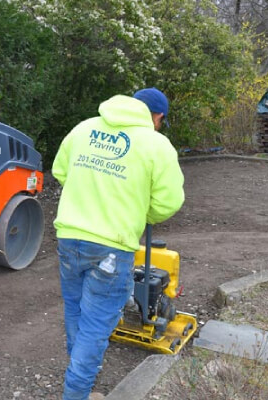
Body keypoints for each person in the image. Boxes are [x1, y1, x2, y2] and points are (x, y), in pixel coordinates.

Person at [51, 87, 184, 400]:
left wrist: (88, 195)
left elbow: (60, 171)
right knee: (96, 326)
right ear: (157, 117)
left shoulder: (84, 129)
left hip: (70, 237)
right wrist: (140, 211)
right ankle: (77, 394)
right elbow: (168, 202)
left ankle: (79, 376)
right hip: (112, 245)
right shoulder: (156, 144)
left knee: (76, 311)